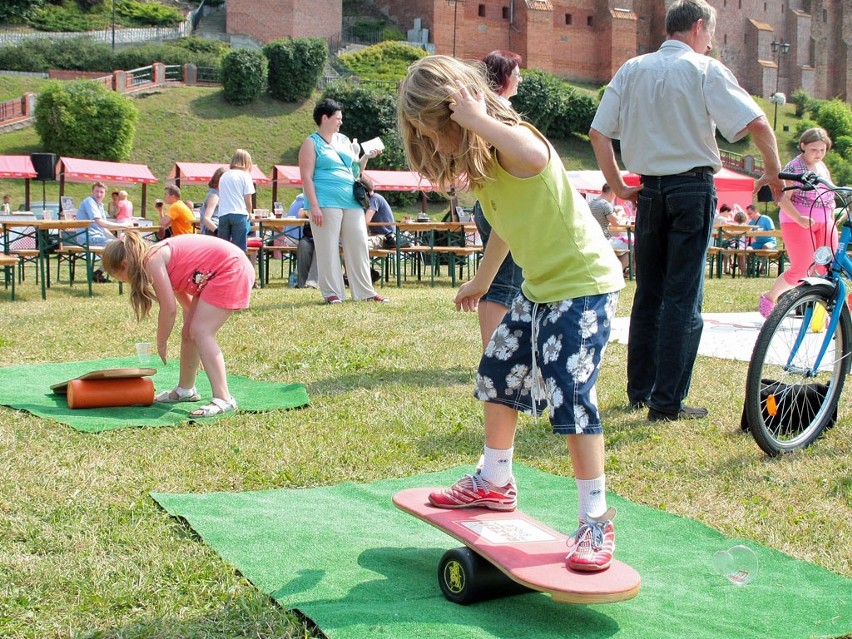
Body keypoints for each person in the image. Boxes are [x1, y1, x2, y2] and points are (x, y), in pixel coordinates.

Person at [398, 55, 624, 571]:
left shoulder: (516, 143)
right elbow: (507, 222)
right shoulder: (485, 168)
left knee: (570, 393)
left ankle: (595, 520)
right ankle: (495, 481)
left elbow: (538, 156)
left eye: (435, 132)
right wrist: (483, 278)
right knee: (497, 371)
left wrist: (478, 119)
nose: (433, 144)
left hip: (583, 287)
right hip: (540, 287)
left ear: (462, 114)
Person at [589, 0, 783, 422]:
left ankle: (641, 390)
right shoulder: (704, 69)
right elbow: (758, 123)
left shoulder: (631, 68)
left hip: (649, 190)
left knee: (650, 293)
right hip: (692, 188)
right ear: (698, 28)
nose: (711, 43)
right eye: (710, 35)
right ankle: (666, 402)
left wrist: (621, 184)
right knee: (683, 297)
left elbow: (598, 133)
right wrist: (773, 171)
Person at [101, 232, 253, 418]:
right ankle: (185, 389)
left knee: (201, 331)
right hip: (218, 272)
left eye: (119, 277)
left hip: (231, 269)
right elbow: (187, 307)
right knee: (190, 332)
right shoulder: (156, 260)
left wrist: (161, 342)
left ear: (124, 266)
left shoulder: (152, 261)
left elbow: (169, 309)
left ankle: (224, 398)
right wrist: (199, 350)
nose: (125, 282)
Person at [298, 98, 387, 304]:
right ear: (325, 118)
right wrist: (314, 207)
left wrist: (365, 157)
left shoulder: (345, 140)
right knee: (327, 247)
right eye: (337, 118)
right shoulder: (311, 143)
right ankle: (332, 293)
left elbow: (355, 171)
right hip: (325, 200)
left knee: (358, 243)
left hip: (351, 199)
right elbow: (306, 178)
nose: (340, 122)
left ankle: (365, 292)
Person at [472, 49, 526, 349]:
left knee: (494, 278)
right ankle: (493, 354)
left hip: (487, 201)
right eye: (516, 73)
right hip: (502, 201)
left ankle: (491, 352)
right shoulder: (501, 113)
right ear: (504, 77)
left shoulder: (482, 112)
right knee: (504, 281)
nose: (520, 78)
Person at [758, 127, 837, 318]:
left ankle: (824, 314)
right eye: (813, 149)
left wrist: (832, 221)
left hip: (825, 221)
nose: (818, 154)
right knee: (802, 268)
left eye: (822, 150)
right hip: (798, 221)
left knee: (827, 268)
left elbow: (829, 196)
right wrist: (799, 218)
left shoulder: (822, 168)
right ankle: (770, 296)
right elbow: (782, 199)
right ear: (803, 146)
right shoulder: (794, 168)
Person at [217, 149, 255, 253]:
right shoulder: (245, 176)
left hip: (223, 214)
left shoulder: (224, 176)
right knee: (239, 249)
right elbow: (248, 198)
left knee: (224, 249)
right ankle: (238, 269)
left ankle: (223, 268)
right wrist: (250, 213)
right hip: (239, 214)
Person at [588, 184, 630, 273]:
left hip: (592, 239)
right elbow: (617, 224)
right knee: (630, 245)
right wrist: (621, 213)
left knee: (623, 245)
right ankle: (618, 273)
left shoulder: (591, 203)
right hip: (604, 239)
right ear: (612, 193)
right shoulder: (605, 204)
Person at [76, 182, 125, 246]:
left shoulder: (100, 205)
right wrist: (123, 225)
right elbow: (99, 222)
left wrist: (116, 240)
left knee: (121, 244)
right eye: (97, 191)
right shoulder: (89, 201)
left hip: (97, 237)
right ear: (92, 192)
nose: (99, 194)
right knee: (120, 246)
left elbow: (103, 228)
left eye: (101, 192)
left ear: (105, 194)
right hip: (87, 238)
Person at [361, 176, 395, 249]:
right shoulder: (372, 199)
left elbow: (365, 221)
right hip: (379, 236)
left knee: (357, 243)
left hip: (386, 238)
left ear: (364, 191)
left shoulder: (374, 199)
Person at [199, 167, 225, 236]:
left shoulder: (216, 194)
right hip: (211, 231)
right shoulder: (214, 196)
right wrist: (217, 232)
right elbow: (206, 218)